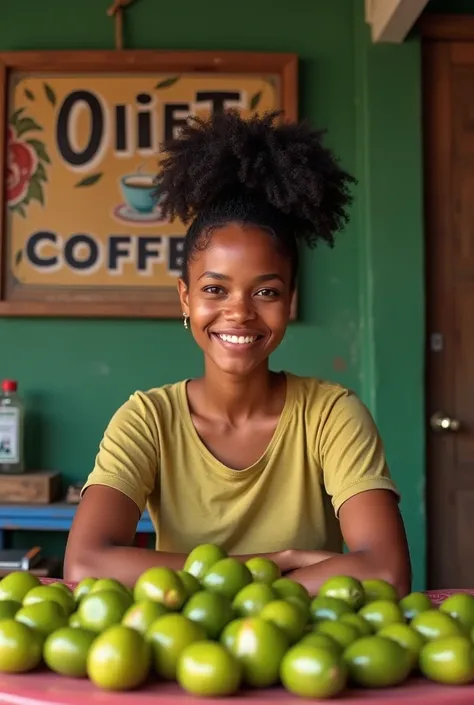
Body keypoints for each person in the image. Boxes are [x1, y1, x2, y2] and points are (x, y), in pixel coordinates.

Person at [64, 110, 411, 596]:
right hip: (181, 661)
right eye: (215, 289)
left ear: (289, 301)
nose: (239, 313)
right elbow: (84, 565)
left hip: (309, 662)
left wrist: (213, 579)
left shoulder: (332, 415)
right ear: (185, 298)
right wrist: (276, 562)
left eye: (265, 293)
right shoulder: (147, 419)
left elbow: (386, 572)